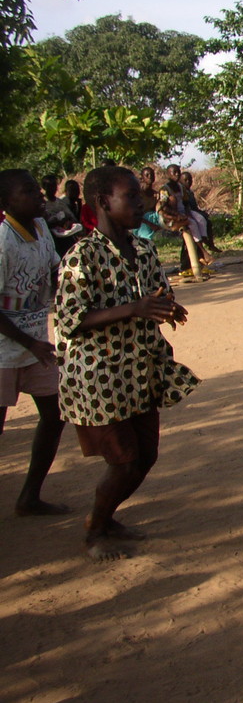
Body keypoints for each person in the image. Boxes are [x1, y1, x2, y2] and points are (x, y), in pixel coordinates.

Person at [55, 166, 199, 561]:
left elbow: (155, 295)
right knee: (124, 461)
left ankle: (107, 519)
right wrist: (133, 309)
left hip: (139, 369)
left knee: (145, 455)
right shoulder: (82, 256)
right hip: (99, 374)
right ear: (102, 202)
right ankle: (95, 530)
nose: (142, 202)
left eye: (139, 195)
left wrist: (168, 308)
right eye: (131, 196)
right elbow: (72, 318)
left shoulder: (144, 248)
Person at [0, 170, 67, 517]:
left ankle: (29, 497)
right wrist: (30, 341)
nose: (40, 195)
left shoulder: (41, 230)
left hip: (35, 345)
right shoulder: (2, 242)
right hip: (5, 352)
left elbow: (55, 274)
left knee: (55, 416)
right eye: (28, 191)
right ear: (6, 202)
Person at [158, 164, 213, 267]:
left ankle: (204, 242)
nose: (177, 174)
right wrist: (178, 215)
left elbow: (186, 203)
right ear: (168, 174)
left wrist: (188, 214)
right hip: (171, 216)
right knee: (192, 224)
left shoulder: (181, 187)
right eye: (173, 172)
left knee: (201, 220)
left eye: (178, 172)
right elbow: (164, 207)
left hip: (184, 212)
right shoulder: (164, 190)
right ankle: (203, 251)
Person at [179, 171, 220, 253]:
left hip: (194, 212)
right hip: (187, 214)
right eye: (185, 180)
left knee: (208, 222)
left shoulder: (190, 192)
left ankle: (210, 244)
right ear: (181, 181)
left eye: (190, 180)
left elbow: (194, 207)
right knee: (199, 221)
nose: (188, 182)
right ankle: (204, 242)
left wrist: (202, 212)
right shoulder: (181, 193)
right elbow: (186, 207)